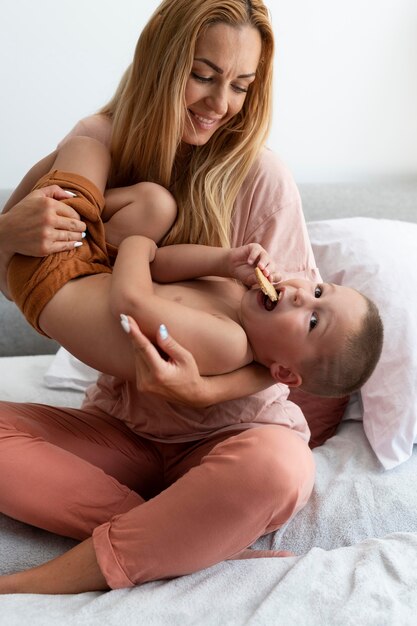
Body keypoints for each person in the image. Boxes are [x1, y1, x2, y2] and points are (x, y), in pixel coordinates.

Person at [0, 0, 343, 594]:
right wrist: (6, 231)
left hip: (234, 434)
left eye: (240, 85)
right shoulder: (93, 148)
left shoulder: (262, 178)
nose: (220, 104)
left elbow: (292, 358)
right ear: (158, 64)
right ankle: (191, 539)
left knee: (282, 469)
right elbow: (26, 283)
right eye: (203, 75)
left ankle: (39, 583)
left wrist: (203, 389)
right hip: (124, 428)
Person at [8, 136, 383, 400]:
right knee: (157, 203)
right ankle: (43, 225)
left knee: (85, 147)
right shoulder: (237, 300)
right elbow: (162, 268)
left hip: (53, 283)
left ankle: (12, 244)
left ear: (284, 372)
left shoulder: (230, 345)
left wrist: (139, 243)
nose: (304, 294)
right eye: (318, 291)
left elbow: (131, 302)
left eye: (313, 321)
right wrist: (225, 260)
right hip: (92, 268)